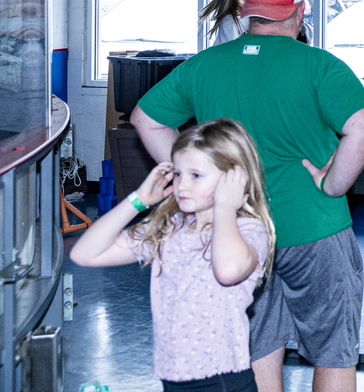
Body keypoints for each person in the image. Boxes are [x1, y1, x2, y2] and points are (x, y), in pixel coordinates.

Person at [132, 0, 364, 392]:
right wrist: (334, 184)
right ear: (300, 11)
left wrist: (194, 182)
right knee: (334, 352)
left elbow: (145, 119)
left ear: (246, 10)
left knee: (259, 347)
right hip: (315, 229)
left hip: (240, 232)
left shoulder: (205, 66)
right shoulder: (321, 67)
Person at [70, 119, 275, 392]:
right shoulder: (170, 228)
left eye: (196, 175)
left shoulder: (248, 231)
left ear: (233, 181)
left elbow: (227, 271)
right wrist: (138, 199)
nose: (182, 186)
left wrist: (225, 205)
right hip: (173, 377)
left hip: (221, 380)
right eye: (178, 173)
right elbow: (85, 254)